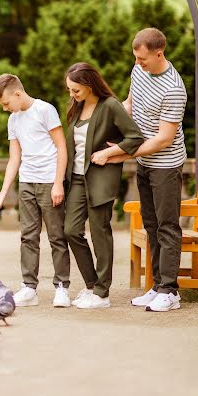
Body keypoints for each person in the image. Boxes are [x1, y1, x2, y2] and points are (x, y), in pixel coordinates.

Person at [91, 27, 187, 312]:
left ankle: (170, 291)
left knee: (167, 226)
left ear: (159, 53)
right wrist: (107, 128)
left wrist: (121, 152)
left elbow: (163, 138)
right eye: (135, 58)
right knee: (152, 224)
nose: (137, 64)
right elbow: (129, 105)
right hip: (144, 162)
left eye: (142, 59)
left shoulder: (173, 88)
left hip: (166, 165)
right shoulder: (139, 72)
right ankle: (157, 286)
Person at [63, 62, 144, 309]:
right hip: (76, 179)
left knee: (100, 233)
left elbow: (135, 137)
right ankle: (91, 285)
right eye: (70, 90)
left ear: (88, 86)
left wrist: (108, 154)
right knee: (71, 230)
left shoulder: (110, 106)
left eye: (75, 90)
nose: (72, 95)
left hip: (100, 178)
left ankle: (102, 293)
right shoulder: (76, 108)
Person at [0, 74, 71, 308]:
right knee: (28, 237)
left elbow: (61, 146)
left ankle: (62, 287)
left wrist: (58, 183)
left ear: (17, 93)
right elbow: (15, 158)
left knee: (57, 236)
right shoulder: (13, 120)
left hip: (48, 183)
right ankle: (29, 288)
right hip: (27, 182)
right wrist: (3, 193)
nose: (5, 109)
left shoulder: (45, 110)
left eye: (6, 104)